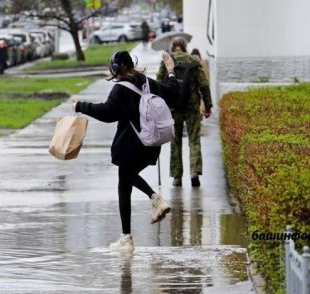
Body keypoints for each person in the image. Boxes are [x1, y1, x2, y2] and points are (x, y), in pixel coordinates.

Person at [72, 51, 180, 252]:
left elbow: (107, 113)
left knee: (124, 183)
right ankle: (151, 204)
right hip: (151, 143)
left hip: (132, 145)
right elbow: (174, 93)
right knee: (127, 178)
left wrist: (80, 106)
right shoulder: (147, 82)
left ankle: (127, 237)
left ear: (115, 68)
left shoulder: (120, 90)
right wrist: (171, 71)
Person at [156, 37, 212, 187]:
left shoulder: (167, 61)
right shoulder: (193, 61)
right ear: (185, 47)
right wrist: (208, 105)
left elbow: (159, 83)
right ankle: (194, 172)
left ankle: (177, 177)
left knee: (176, 142)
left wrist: (159, 106)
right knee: (194, 141)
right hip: (192, 108)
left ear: (173, 47)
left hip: (173, 109)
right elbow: (204, 84)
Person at [191, 48, 210, 117]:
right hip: (199, 85)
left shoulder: (200, 62)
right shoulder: (202, 62)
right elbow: (207, 74)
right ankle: (200, 113)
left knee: (200, 100)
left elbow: (206, 74)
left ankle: (200, 113)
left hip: (198, 85)